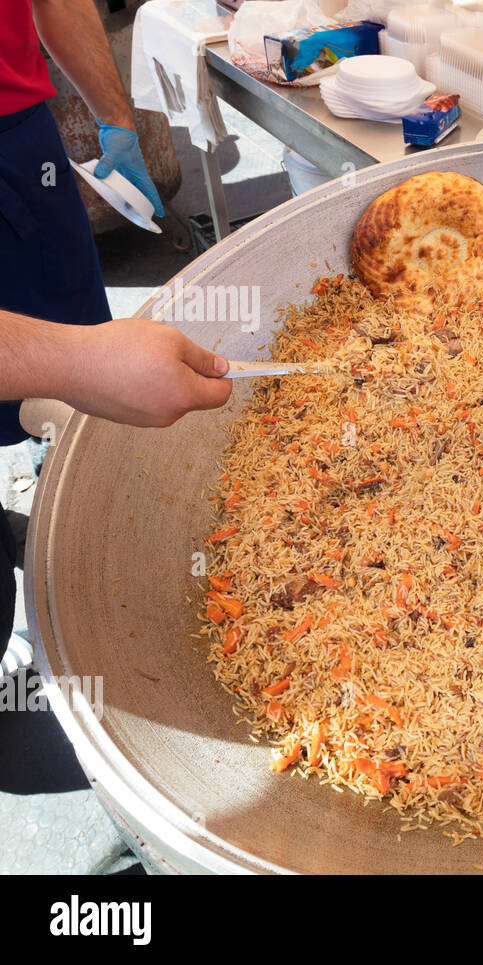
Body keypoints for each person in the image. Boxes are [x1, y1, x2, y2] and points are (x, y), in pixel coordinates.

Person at [1, 0, 233, 656]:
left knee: (78, 415)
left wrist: (116, 121)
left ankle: (77, 518)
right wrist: (75, 361)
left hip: (14, 137)